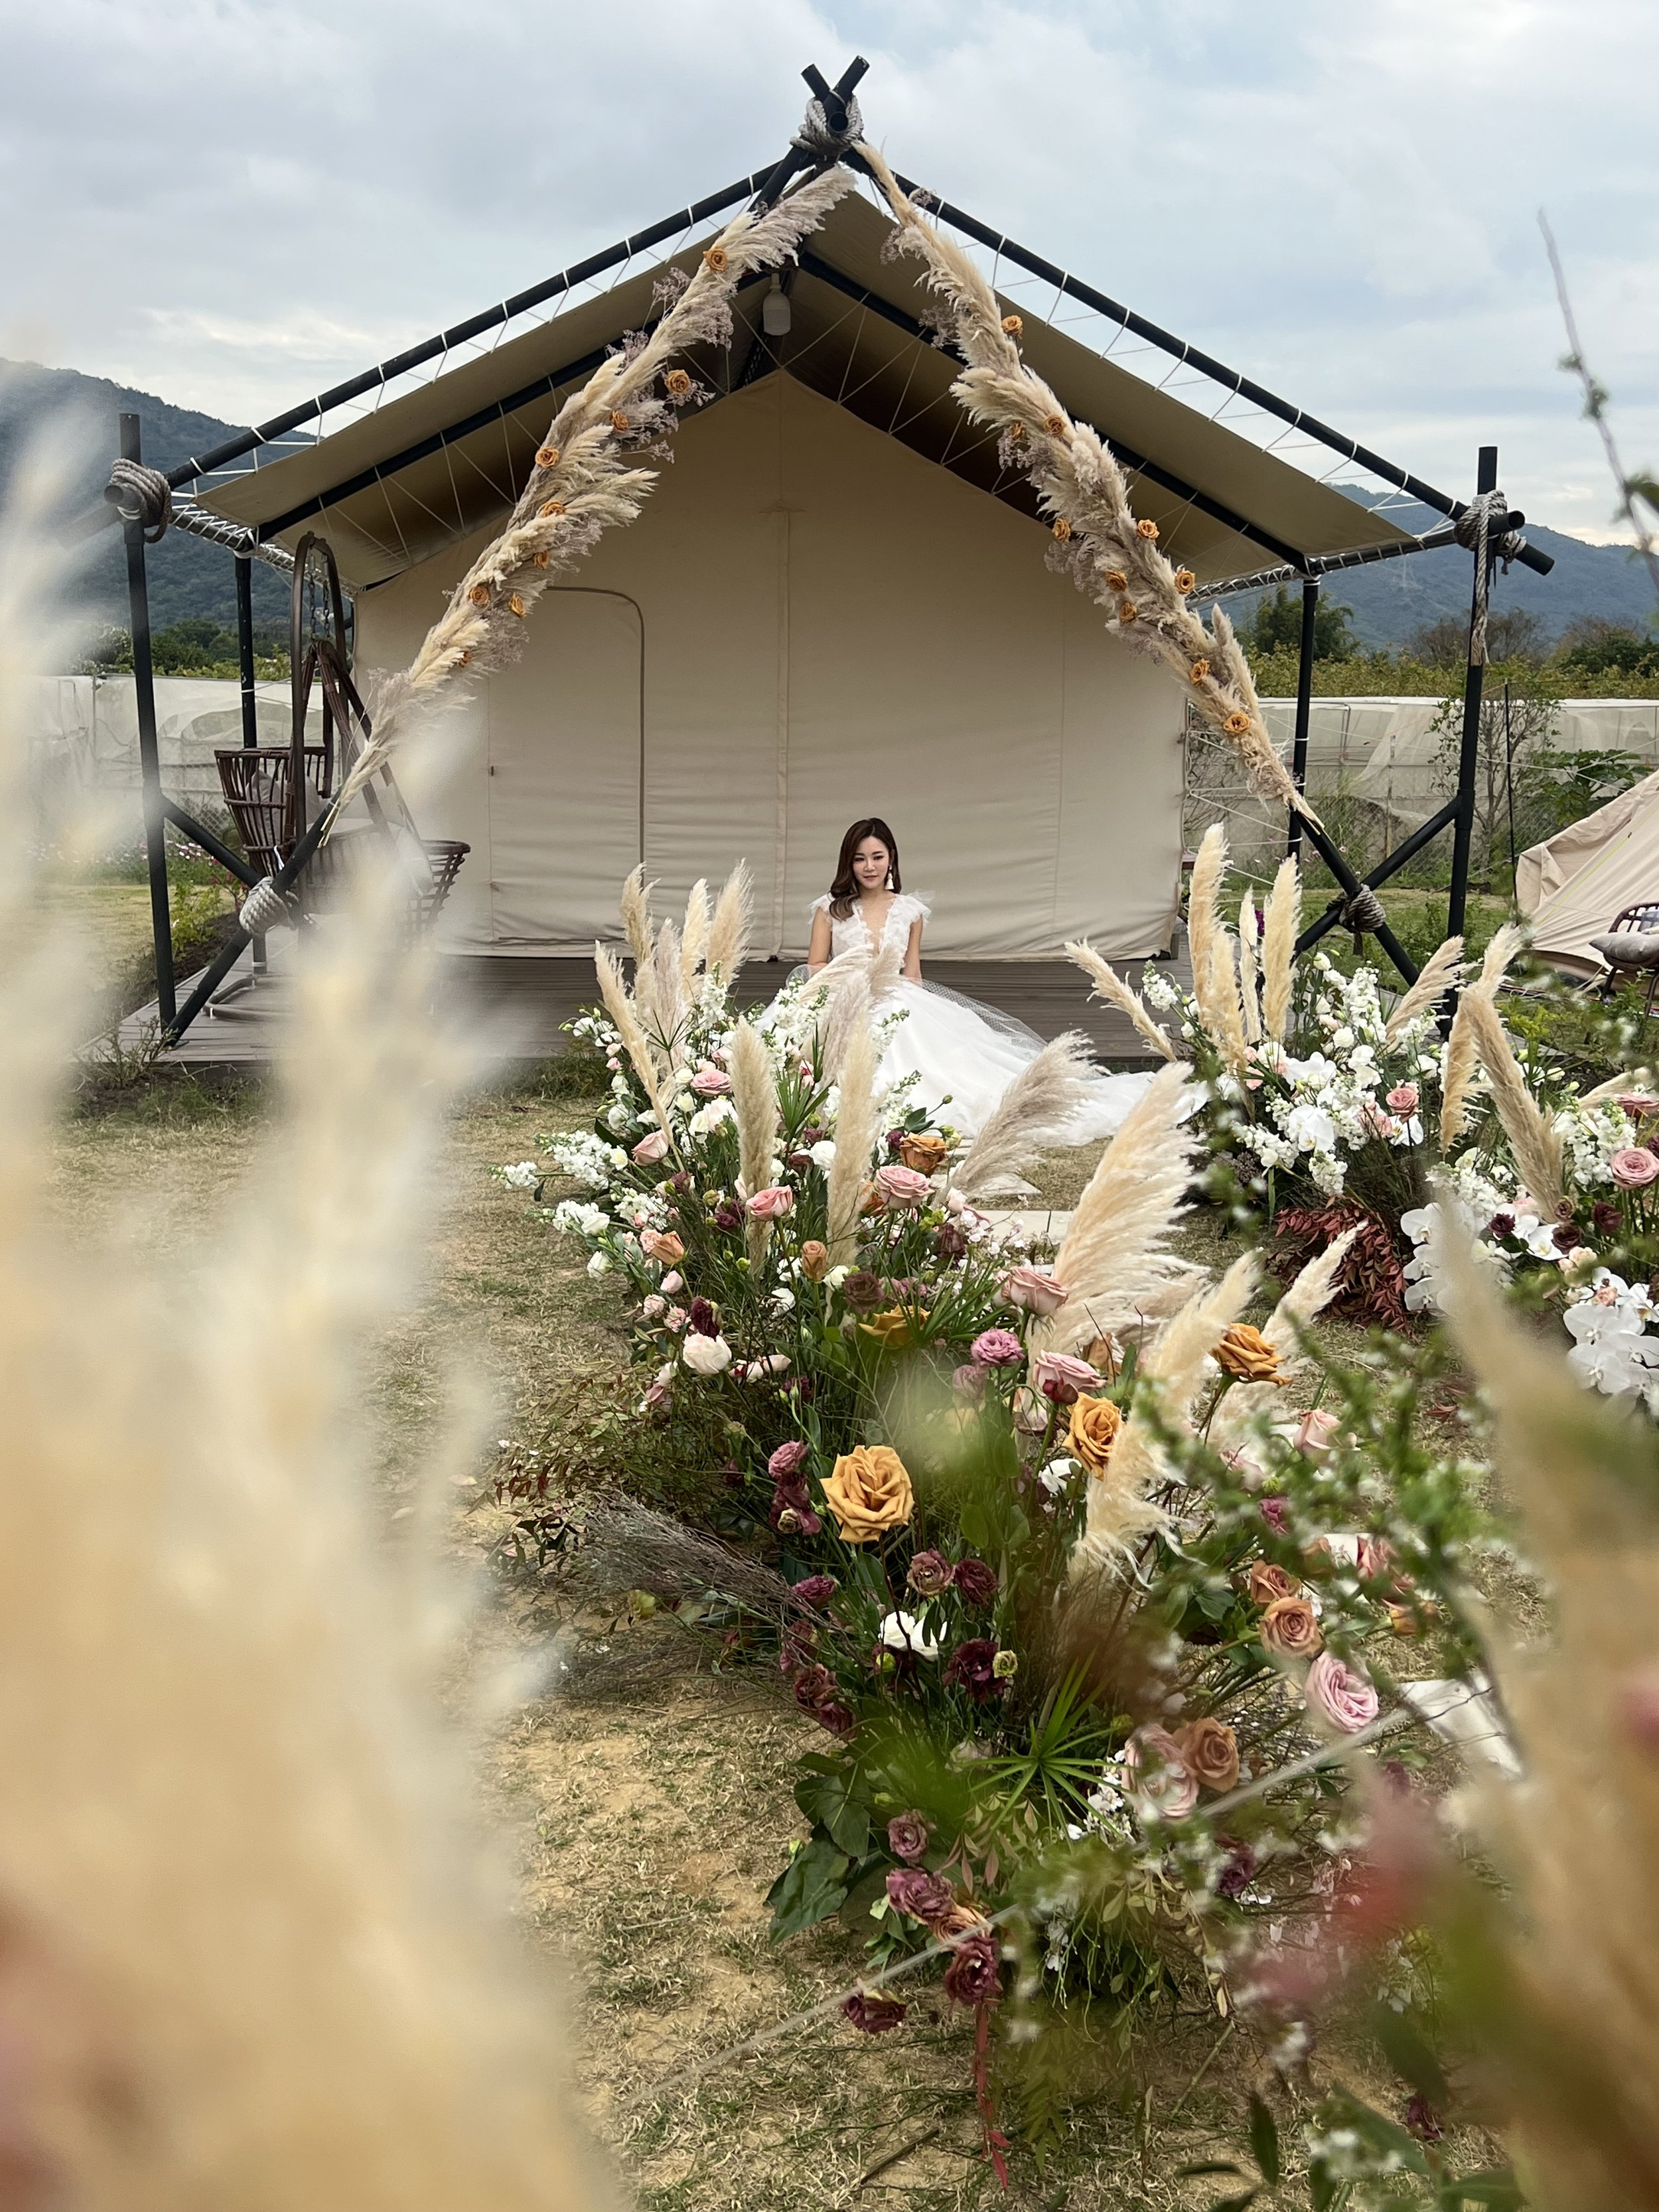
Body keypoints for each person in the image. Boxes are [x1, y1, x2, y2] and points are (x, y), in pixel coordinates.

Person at [802, 816, 1155, 1142]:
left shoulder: (909, 910)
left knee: (947, 1068)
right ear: (848, 862)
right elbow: (816, 962)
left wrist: (917, 1019)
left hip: (897, 998)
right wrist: (849, 987)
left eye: (877, 857)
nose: (869, 867)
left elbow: (913, 972)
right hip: (844, 997)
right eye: (860, 859)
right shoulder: (831, 908)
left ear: (891, 858)